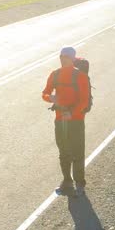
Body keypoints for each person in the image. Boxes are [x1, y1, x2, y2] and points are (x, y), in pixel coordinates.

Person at [42, 47, 91, 197]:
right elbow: (45, 93)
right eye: (61, 56)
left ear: (72, 58)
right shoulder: (55, 75)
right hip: (60, 120)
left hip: (76, 121)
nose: (63, 59)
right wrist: (50, 98)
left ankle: (80, 183)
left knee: (77, 153)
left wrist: (72, 113)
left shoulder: (81, 76)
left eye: (66, 56)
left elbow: (84, 100)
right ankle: (67, 181)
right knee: (63, 152)